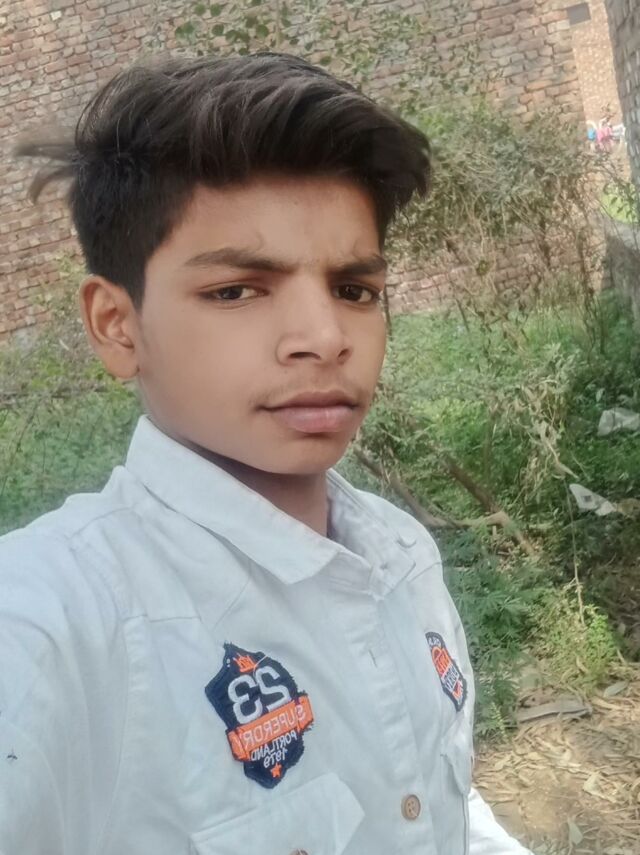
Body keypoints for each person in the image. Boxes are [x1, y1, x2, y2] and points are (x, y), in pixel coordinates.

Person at [2, 53, 532, 855]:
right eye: (237, 290)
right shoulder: (56, 627)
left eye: (354, 290)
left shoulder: (401, 554)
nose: (324, 337)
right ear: (117, 325)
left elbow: (436, 803)